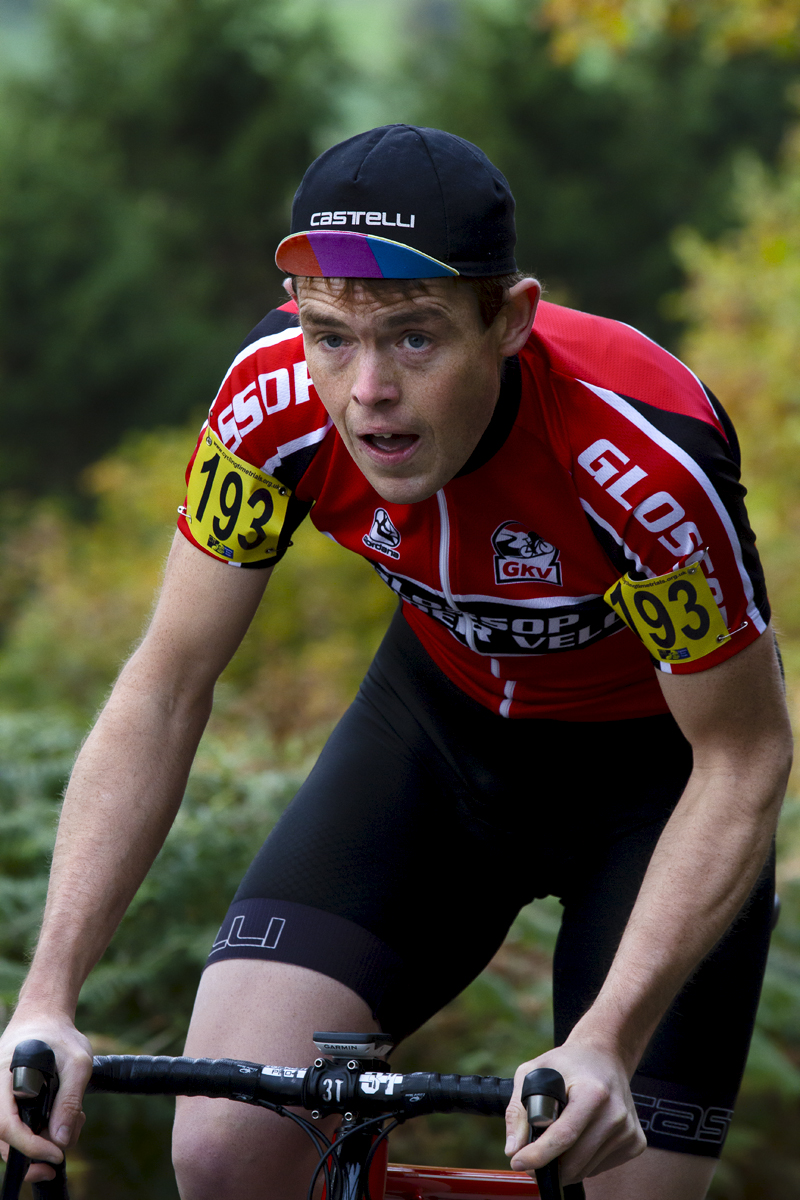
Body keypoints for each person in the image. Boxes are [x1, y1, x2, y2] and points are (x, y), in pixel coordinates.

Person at [0, 124, 791, 1200]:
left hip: (653, 793)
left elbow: (744, 757)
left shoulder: (637, 459)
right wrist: (45, 998)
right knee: (225, 1153)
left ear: (509, 319)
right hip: (435, 741)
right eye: (329, 336)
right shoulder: (269, 404)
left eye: (414, 339)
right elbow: (167, 683)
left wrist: (603, 1040)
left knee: (618, 1186)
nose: (364, 387)